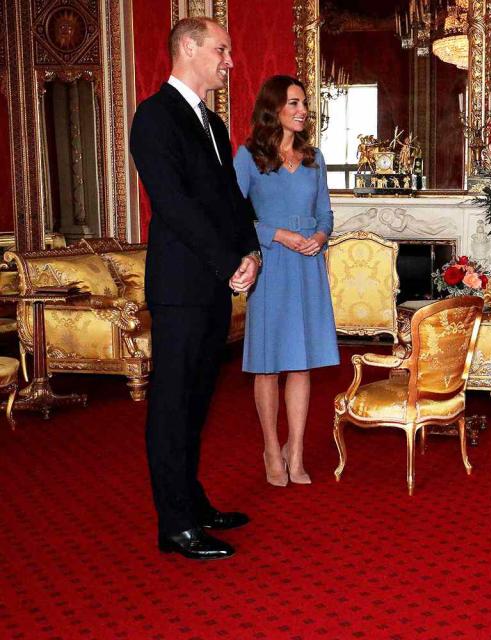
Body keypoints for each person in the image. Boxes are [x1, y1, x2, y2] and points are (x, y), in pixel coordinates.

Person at [130, 17, 261, 561]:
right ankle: (176, 525)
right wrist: (226, 259)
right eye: (221, 49)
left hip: (212, 285)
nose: (229, 60)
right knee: (172, 406)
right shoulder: (154, 117)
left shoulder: (211, 120)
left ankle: (193, 501)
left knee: (198, 403)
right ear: (188, 48)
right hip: (182, 287)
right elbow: (175, 207)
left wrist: (250, 251)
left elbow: (229, 196)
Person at [234, 75, 340, 487]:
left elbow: (326, 214)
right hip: (272, 264)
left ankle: (295, 452)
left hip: (308, 266)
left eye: (304, 104)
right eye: (294, 103)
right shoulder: (249, 157)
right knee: (268, 364)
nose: (302, 111)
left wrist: (317, 237)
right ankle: (270, 448)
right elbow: (235, 216)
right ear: (273, 108)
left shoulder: (314, 158)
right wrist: (277, 235)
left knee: (301, 362)